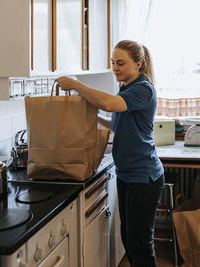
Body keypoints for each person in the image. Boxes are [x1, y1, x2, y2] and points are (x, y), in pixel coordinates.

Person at [56, 40, 165, 267]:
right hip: (128, 174)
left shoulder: (143, 89)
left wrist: (76, 85)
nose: (115, 67)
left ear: (138, 64)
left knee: (140, 244)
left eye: (121, 63)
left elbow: (108, 104)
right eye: (113, 62)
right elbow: (115, 122)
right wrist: (90, 114)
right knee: (129, 238)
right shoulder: (126, 88)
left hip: (143, 177)